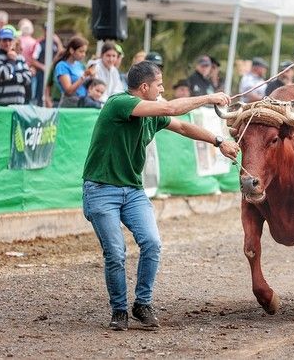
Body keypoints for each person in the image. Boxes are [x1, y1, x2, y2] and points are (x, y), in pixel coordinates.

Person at [82, 60, 239, 331]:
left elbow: (182, 127)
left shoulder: (152, 114)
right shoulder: (119, 103)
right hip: (100, 190)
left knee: (152, 243)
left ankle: (142, 304)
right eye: (159, 84)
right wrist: (209, 97)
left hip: (132, 190)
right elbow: (170, 107)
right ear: (144, 87)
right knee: (116, 252)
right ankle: (119, 310)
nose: (163, 88)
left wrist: (218, 141)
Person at [0, 27, 32, 105]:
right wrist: (11, 61)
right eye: (4, 40)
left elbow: (28, 78)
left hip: (18, 106)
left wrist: (11, 77)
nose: (7, 43)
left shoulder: (20, 57)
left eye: (10, 40)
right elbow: (4, 74)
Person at [52, 36, 94, 107]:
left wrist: (91, 76)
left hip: (82, 102)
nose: (83, 55)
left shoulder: (79, 65)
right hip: (70, 104)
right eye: (81, 51)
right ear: (71, 50)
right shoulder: (62, 66)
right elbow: (68, 91)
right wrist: (84, 76)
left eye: (85, 52)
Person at [30, 26, 63, 106]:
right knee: (40, 94)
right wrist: (43, 67)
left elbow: (61, 53)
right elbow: (33, 60)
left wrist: (58, 42)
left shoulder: (55, 43)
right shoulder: (40, 43)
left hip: (52, 73)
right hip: (41, 74)